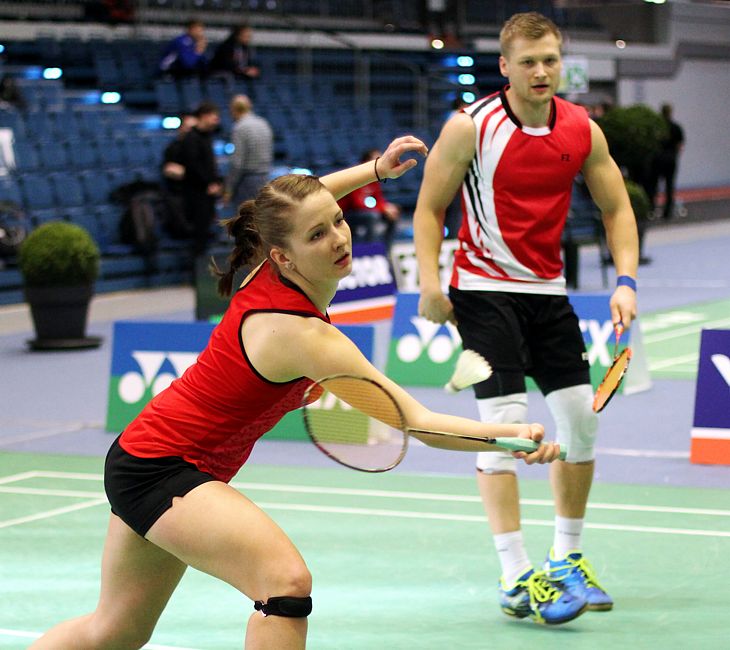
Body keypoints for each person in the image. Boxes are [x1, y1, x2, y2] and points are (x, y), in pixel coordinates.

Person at [30, 135, 563, 650]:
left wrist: (375, 171)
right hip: (160, 467)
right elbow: (417, 423)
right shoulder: (305, 336)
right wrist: (508, 436)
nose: (338, 238)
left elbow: (296, 204)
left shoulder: (267, 262)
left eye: (337, 221)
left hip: (144, 453)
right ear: (283, 256)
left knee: (116, 633)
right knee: (284, 583)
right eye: (317, 236)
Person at [413, 12, 639, 626]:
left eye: (551, 60)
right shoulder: (470, 128)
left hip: (547, 293)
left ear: (561, 62)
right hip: (483, 291)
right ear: (505, 66)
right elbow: (430, 207)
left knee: (580, 426)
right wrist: (431, 285)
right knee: (506, 429)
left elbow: (616, 207)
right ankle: (515, 574)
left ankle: (566, 559)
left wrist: (624, 281)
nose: (542, 72)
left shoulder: (580, 129)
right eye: (529, 61)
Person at [179, 101, 223, 256]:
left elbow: (210, 165)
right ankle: (197, 269)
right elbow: (193, 165)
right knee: (199, 233)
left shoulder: (207, 137)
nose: (217, 120)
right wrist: (209, 183)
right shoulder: (192, 138)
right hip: (196, 193)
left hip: (208, 192)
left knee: (206, 230)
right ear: (203, 116)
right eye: (214, 116)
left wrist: (217, 183)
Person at [337, 149, 401, 249]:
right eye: (377, 160)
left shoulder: (374, 177)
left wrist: (387, 207)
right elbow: (357, 203)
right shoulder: (355, 176)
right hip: (347, 214)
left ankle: (386, 249)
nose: (381, 163)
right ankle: (370, 250)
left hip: (366, 211)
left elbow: (378, 198)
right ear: (366, 162)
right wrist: (383, 208)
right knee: (372, 216)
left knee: (392, 214)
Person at [223, 94, 273, 211]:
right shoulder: (263, 123)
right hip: (265, 177)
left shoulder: (240, 127)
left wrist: (228, 189)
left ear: (234, 109)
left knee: (245, 220)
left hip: (247, 182)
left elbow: (237, 163)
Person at [160, 112, 197, 239]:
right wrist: (193, 174)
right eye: (188, 127)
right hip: (179, 193)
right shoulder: (173, 148)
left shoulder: (200, 148)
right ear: (181, 128)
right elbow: (169, 169)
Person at [650, 103, 684, 221]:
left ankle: (652, 209)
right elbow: (680, 146)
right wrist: (674, 155)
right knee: (669, 186)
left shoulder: (657, 127)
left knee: (654, 185)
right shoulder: (676, 127)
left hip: (658, 159)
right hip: (670, 159)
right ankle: (667, 212)